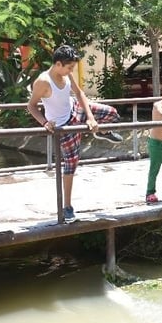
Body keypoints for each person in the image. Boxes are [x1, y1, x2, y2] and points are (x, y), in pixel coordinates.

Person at [26, 44, 122, 223]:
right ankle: (67, 206)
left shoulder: (66, 72)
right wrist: (45, 123)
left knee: (112, 113)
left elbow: (79, 93)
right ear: (58, 64)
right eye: (69, 68)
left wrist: (91, 117)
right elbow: (31, 106)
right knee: (71, 164)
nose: (71, 70)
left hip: (76, 110)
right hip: (62, 126)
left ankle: (102, 131)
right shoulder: (43, 81)